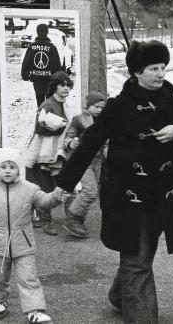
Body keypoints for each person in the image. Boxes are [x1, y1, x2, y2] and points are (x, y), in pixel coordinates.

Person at [56, 40, 173, 323]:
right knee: (138, 256)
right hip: (125, 197)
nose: (160, 74)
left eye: (163, 68)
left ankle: (120, 296)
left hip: (163, 196)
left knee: (141, 253)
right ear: (136, 72)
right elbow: (89, 143)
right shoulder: (118, 107)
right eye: (153, 68)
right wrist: (64, 184)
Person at [0, 147, 67, 324]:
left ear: (20, 169)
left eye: (12, 166)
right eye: (4, 166)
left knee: (28, 277)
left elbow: (45, 202)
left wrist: (57, 195)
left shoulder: (30, 189)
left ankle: (34, 311)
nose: (8, 170)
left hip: (23, 243)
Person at [23, 71, 73, 236]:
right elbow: (39, 128)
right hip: (44, 152)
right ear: (54, 87)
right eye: (62, 85)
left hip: (56, 152)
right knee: (44, 187)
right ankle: (46, 221)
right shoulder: (47, 105)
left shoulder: (63, 103)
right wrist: (58, 127)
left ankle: (71, 218)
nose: (66, 88)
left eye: (68, 85)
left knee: (62, 184)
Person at [62, 91, 107, 239]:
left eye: (102, 107)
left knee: (91, 193)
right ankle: (72, 218)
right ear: (88, 106)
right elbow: (68, 136)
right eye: (96, 106)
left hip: (98, 160)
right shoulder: (78, 120)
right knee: (90, 191)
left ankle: (78, 222)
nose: (100, 110)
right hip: (82, 160)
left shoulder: (105, 121)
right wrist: (70, 143)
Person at [21, 24, 62, 106]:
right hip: (49, 79)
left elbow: (26, 62)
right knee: (50, 101)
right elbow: (57, 64)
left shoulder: (32, 47)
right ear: (47, 32)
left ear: (37, 32)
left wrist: (25, 74)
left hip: (37, 79)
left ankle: (41, 116)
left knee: (40, 101)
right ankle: (47, 116)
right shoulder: (52, 47)